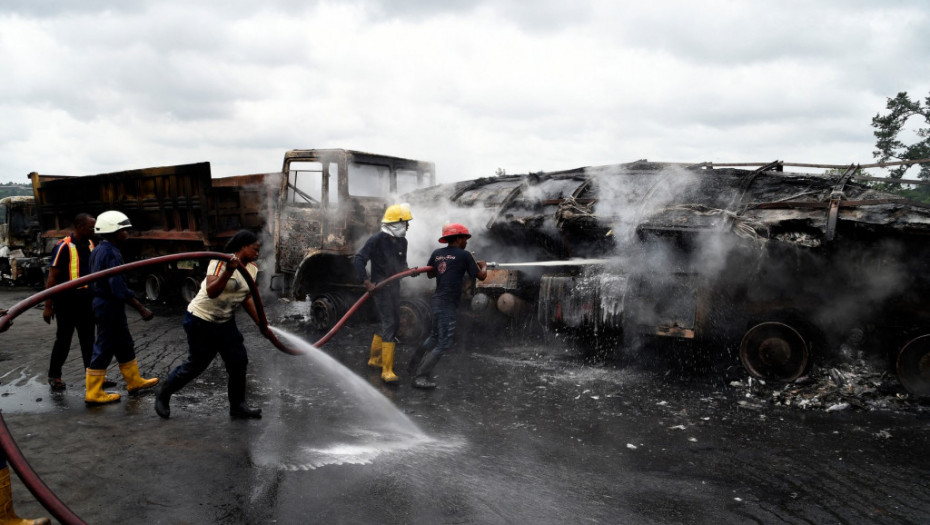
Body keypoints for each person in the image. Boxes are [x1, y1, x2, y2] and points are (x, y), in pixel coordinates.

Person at [155, 230, 269, 419]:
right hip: (201, 320)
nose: (258, 253)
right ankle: (163, 393)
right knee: (197, 365)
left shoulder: (252, 268)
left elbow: (246, 296)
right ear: (242, 247)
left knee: (238, 362)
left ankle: (238, 406)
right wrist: (229, 271)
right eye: (255, 249)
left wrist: (261, 324)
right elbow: (211, 291)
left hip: (225, 321)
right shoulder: (219, 262)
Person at [85, 210, 158, 404]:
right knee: (104, 346)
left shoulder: (100, 249)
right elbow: (117, 288)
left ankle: (134, 381)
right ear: (116, 232)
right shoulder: (110, 253)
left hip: (107, 304)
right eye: (124, 230)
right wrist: (141, 308)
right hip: (108, 305)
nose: (127, 233)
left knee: (124, 343)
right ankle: (93, 392)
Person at [43, 213, 116, 391]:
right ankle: (54, 376)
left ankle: (94, 377)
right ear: (79, 227)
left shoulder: (92, 244)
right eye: (91, 227)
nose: (94, 229)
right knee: (63, 340)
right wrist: (48, 306)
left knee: (89, 341)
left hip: (86, 301)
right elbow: (52, 277)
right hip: (66, 302)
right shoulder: (63, 247)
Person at [411, 223, 487, 389]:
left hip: (437, 300)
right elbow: (481, 276)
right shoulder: (465, 255)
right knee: (444, 343)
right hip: (448, 304)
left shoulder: (437, 253)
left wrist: (445, 267)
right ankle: (420, 377)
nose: (466, 241)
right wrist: (483, 265)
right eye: (465, 238)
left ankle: (413, 365)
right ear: (458, 238)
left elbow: (431, 274)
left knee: (434, 336)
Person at [353, 203, 414, 384]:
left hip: (394, 287)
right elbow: (359, 259)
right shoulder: (376, 240)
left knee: (392, 324)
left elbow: (401, 264)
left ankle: (375, 359)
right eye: (405, 223)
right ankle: (386, 371)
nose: (408, 227)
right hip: (380, 288)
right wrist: (367, 282)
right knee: (391, 323)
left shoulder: (403, 241)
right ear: (396, 223)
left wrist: (409, 270)